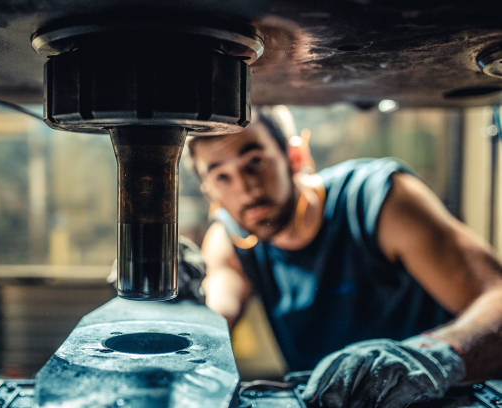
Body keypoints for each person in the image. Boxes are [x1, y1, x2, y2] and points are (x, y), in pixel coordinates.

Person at [185, 106, 502, 407]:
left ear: (294, 156)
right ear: (209, 192)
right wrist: (184, 308)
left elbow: (497, 295)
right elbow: (216, 314)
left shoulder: (376, 200)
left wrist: (432, 357)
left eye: (254, 161)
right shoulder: (233, 240)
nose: (246, 188)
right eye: (221, 177)